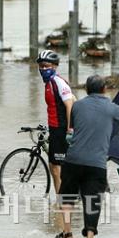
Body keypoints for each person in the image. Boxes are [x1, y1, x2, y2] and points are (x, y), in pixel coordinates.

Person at [55, 75, 119, 238]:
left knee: (67, 196)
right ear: (104, 89)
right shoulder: (112, 108)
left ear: (87, 90)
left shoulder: (77, 106)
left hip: (73, 160)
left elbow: (74, 130)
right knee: (92, 200)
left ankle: (67, 233)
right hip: (96, 164)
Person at [36, 50, 74, 194]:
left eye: (46, 66)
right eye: (41, 66)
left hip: (61, 129)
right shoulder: (49, 83)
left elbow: (70, 104)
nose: (43, 69)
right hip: (54, 128)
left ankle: (62, 200)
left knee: (57, 167)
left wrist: (70, 129)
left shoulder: (58, 82)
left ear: (55, 66)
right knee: (53, 165)